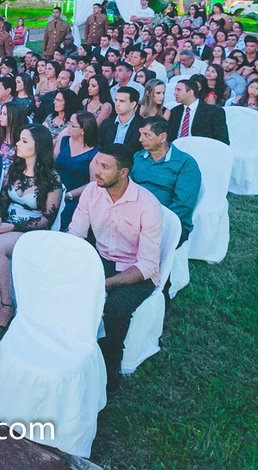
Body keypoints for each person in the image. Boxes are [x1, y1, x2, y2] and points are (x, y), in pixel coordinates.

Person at [66, 145, 162, 391]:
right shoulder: (91, 191)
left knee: (115, 310)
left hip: (135, 270)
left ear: (123, 173)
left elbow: (148, 265)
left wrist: (107, 284)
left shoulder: (147, 205)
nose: (96, 171)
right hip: (102, 259)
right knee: (67, 291)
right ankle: (71, 354)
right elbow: (75, 234)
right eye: (96, 164)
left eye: (104, 167)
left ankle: (110, 369)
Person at [0, 124, 63, 331]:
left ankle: (6, 305)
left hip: (33, 231)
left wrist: (11, 227)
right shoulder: (16, 168)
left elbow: (47, 220)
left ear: (38, 146)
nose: (17, 144)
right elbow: (3, 200)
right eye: (19, 139)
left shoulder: (52, 178)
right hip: (8, 224)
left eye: (24, 141)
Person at [132, 119, 201, 246]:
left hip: (168, 222)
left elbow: (183, 205)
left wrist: (153, 222)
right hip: (134, 217)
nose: (140, 139)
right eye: (141, 134)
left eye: (147, 135)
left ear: (162, 137)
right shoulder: (138, 157)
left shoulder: (185, 163)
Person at [54, 110, 99, 228]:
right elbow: (51, 164)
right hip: (55, 189)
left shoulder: (95, 152)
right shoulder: (64, 141)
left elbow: (93, 183)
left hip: (76, 197)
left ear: (83, 130)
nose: (68, 127)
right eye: (69, 123)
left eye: (73, 125)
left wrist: (69, 195)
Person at [168, 77, 230, 144]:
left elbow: (222, 140)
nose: (175, 93)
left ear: (190, 92)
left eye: (179, 90)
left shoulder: (213, 112)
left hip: (202, 147)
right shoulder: (175, 111)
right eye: (175, 90)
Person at [100, 85, 145, 152]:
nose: (117, 104)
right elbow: (100, 146)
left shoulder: (142, 125)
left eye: (122, 101)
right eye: (116, 100)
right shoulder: (107, 123)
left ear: (133, 104)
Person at [0, 101, 28, 178]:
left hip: (13, 175)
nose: (1, 117)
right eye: (1, 113)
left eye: (4, 114)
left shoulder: (22, 137)